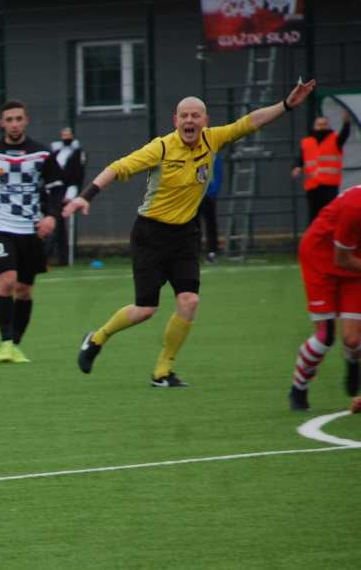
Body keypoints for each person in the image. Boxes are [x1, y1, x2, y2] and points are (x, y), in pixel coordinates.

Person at [67, 80, 317, 388]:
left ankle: (162, 371)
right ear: (175, 120)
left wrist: (287, 104)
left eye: (195, 115)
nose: (189, 120)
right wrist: (85, 196)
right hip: (150, 233)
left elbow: (249, 123)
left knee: (189, 301)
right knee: (145, 309)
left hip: (185, 234)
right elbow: (116, 168)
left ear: (205, 120)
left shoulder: (212, 140)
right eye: (183, 115)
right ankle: (97, 338)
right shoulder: (159, 147)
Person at [0, 100, 64, 363]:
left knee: (25, 290)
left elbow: (55, 188)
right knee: (7, 280)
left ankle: (16, 343)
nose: (14, 124)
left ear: (26, 120)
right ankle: (5, 342)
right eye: (9, 119)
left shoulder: (41, 154)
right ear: (1, 123)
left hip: (30, 229)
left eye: (18, 118)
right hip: (0, 226)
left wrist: (52, 216)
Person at [288, 184, 361, 411]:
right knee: (326, 335)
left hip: (354, 259)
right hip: (320, 257)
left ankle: (353, 361)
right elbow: (342, 260)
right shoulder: (354, 208)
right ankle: (298, 389)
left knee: (353, 339)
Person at [292, 112, 351, 224]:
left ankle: (330, 239)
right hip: (312, 185)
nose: (321, 127)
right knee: (314, 216)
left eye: (324, 124)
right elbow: (300, 158)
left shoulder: (335, 140)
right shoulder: (307, 142)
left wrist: (346, 122)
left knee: (330, 214)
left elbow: (345, 134)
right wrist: (296, 167)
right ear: (314, 126)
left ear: (328, 126)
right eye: (319, 124)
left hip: (329, 186)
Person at [49, 127, 86, 265]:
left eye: (68, 135)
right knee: (56, 223)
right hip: (54, 191)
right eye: (63, 135)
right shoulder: (56, 151)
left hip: (67, 192)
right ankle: (53, 255)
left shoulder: (77, 152)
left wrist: (72, 193)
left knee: (59, 223)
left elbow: (78, 175)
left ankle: (60, 257)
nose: (65, 137)